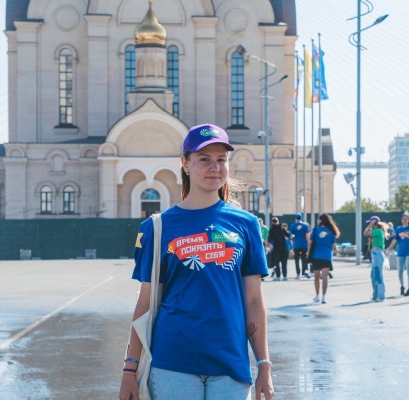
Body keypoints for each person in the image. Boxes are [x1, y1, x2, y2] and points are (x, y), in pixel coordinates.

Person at [119, 124, 274, 400]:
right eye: (204, 159)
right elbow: (146, 303)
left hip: (231, 366)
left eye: (221, 159)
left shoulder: (246, 224)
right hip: (173, 365)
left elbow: (253, 300)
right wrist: (129, 369)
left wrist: (264, 364)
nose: (215, 167)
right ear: (185, 163)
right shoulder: (157, 227)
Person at [385, 211, 409, 297]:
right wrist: (388, 249)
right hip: (401, 252)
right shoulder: (399, 229)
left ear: (408, 220)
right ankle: (402, 286)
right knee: (400, 271)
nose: (404, 220)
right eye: (403, 219)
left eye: (406, 219)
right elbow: (395, 240)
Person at [308, 214, 340, 304]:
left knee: (316, 276)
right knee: (325, 277)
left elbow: (310, 242)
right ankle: (324, 297)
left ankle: (317, 295)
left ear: (321, 220)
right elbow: (334, 245)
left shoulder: (315, 229)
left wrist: (308, 253)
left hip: (316, 256)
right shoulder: (331, 231)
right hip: (327, 256)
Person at [364, 216, 388, 302]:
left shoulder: (377, 230)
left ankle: (381, 296)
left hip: (377, 253)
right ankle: (375, 295)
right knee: (373, 275)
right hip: (375, 252)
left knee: (378, 275)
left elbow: (365, 233)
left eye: (371, 223)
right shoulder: (376, 231)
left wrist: (370, 225)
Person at [290, 213, 311, 279]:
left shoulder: (293, 225)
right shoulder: (305, 225)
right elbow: (307, 235)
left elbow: (291, 235)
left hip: (296, 245)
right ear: (301, 218)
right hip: (304, 245)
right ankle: (305, 271)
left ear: (296, 218)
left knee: (296, 260)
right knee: (304, 259)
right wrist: (308, 244)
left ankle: (298, 273)